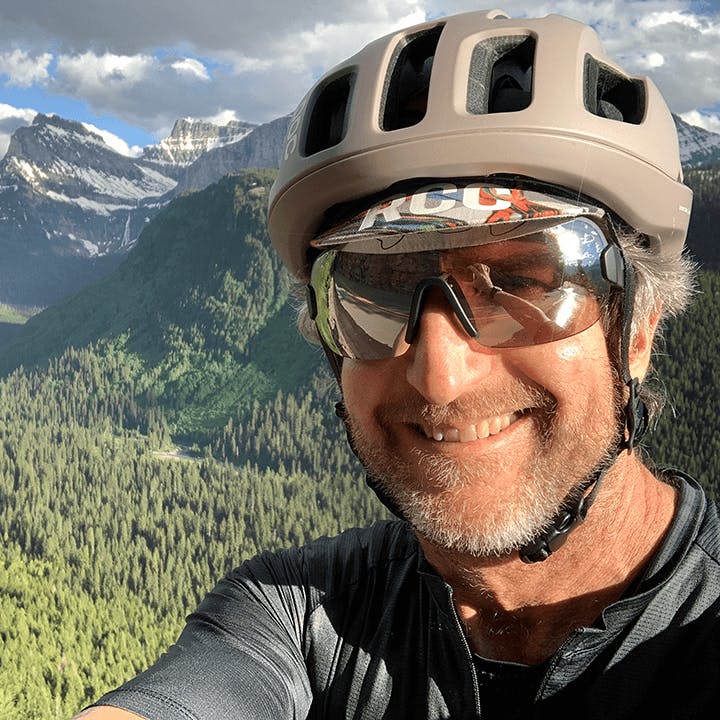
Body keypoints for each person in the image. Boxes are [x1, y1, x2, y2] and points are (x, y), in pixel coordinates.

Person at [77, 8, 720, 720]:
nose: (440, 376)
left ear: (638, 330)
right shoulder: (296, 617)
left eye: (527, 281)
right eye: (373, 291)